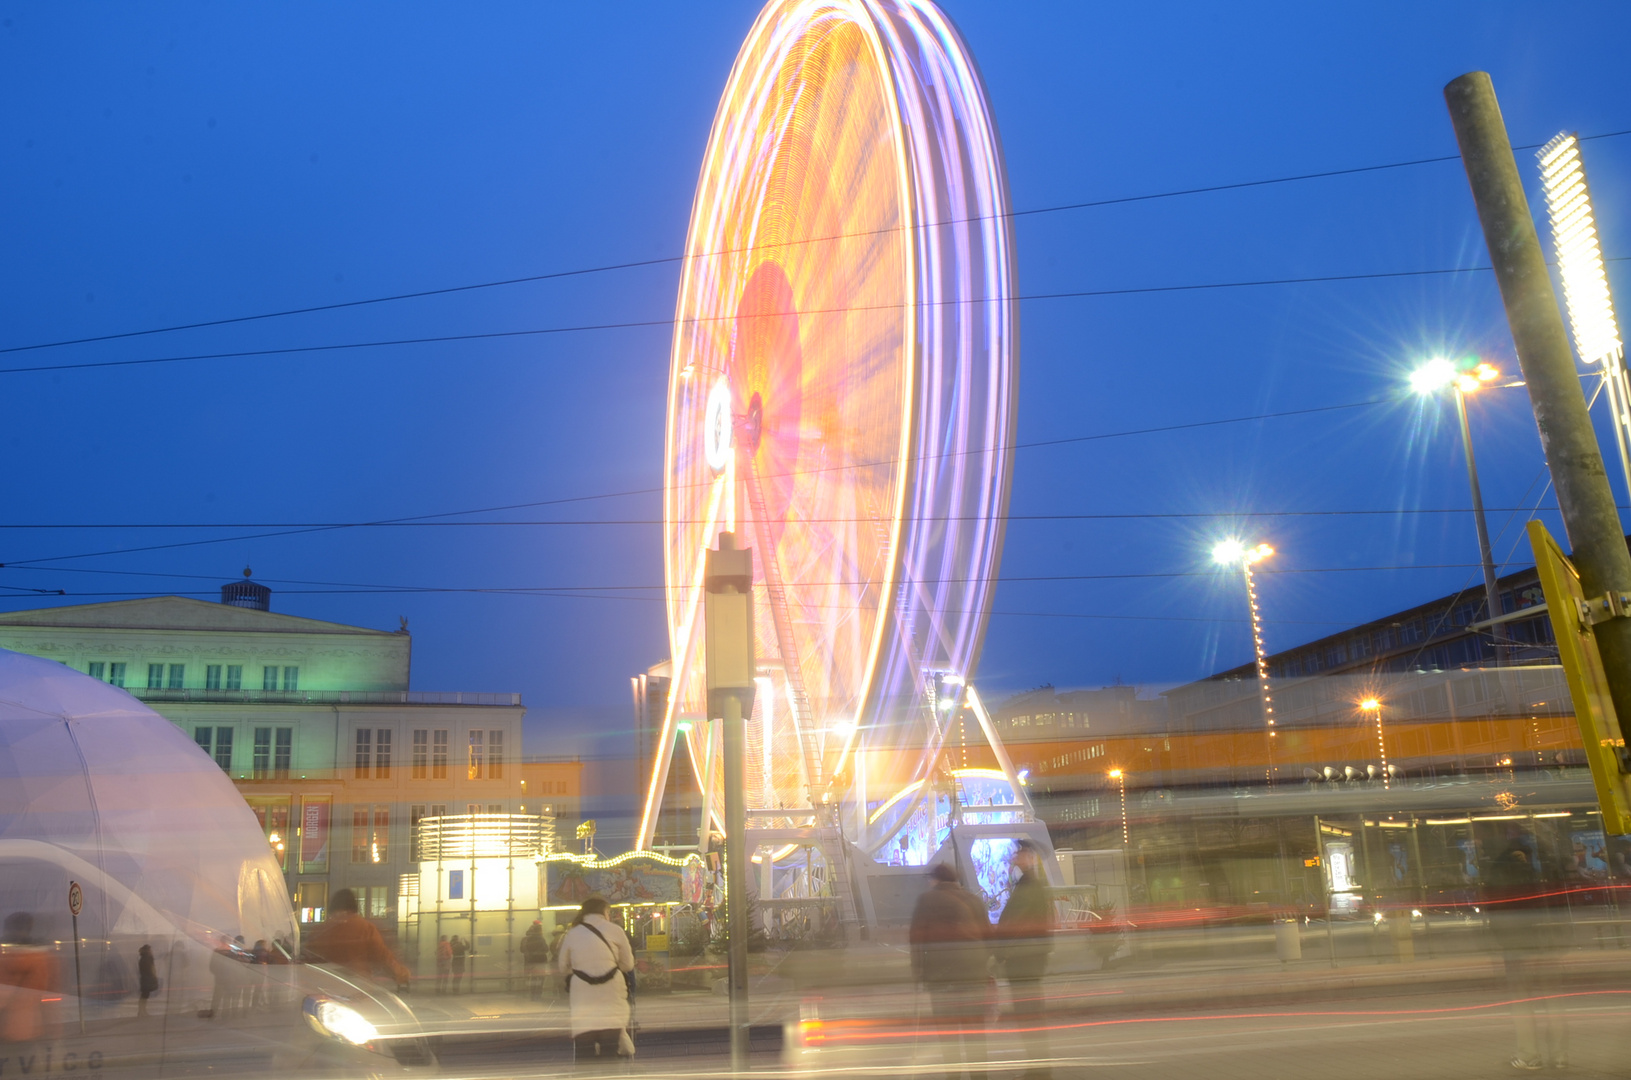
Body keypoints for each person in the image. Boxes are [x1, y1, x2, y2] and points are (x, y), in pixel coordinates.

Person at [1488, 842, 1568, 1070]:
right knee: (1553, 1001)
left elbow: (1496, 917)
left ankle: (1529, 1055)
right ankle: (1560, 1055)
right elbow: (1554, 910)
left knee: (1522, 1004)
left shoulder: (1501, 882)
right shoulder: (1539, 879)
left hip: (1517, 948)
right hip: (1545, 945)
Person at [909, 864, 991, 1080]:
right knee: (975, 1034)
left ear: (935, 879)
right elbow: (989, 937)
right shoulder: (973, 900)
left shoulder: (926, 900)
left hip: (941, 979)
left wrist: (918, 972)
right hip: (973, 977)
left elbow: (916, 940)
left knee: (949, 1036)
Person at [996, 840, 1055, 1080]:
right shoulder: (1028, 884)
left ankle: (1039, 1070)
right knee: (1029, 1015)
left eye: (1020, 853)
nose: (1015, 856)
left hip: (1025, 961)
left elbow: (1016, 924)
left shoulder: (1030, 886)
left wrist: (1000, 952)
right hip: (1027, 960)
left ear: (1031, 857)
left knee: (1029, 1015)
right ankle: (1037, 1067)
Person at [557, 897, 635, 1067]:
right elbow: (628, 964)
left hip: (582, 994)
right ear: (604, 912)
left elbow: (562, 967)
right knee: (609, 1049)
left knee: (584, 1051)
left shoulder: (573, 933)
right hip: (611, 992)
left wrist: (580, 969)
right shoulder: (615, 930)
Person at [304, 889, 411, 990]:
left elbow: (308, 959)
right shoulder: (366, 928)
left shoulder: (319, 930)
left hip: (327, 988)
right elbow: (382, 956)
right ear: (354, 907)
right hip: (359, 986)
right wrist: (400, 974)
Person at [0, 913, 53, 1043]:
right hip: (30, 1025)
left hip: (6, 1027)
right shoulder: (39, 957)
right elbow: (38, 991)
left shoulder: (4, 956)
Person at [521, 920, 549, 1000]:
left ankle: (532, 995)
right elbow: (546, 949)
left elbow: (523, 949)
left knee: (533, 979)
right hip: (540, 961)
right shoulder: (540, 939)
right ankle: (538, 995)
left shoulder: (527, 939)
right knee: (540, 979)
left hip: (530, 961)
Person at [136, 944, 159, 1019]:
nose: (151, 951)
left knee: (144, 996)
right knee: (144, 996)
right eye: (150, 950)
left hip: (144, 979)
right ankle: (142, 1011)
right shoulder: (147, 959)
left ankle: (142, 1011)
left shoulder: (143, 958)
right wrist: (154, 977)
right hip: (147, 979)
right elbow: (151, 970)